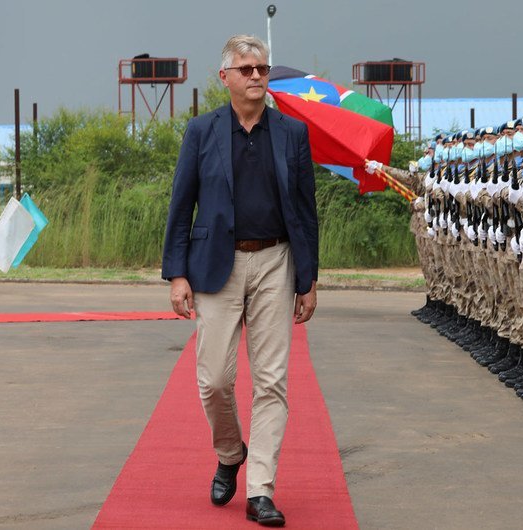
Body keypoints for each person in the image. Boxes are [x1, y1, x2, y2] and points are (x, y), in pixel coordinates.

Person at [161, 34, 319, 528]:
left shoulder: (292, 134)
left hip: (276, 261)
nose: (256, 76)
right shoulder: (201, 132)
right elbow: (181, 204)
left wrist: (308, 278)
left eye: (263, 69)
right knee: (214, 379)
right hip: (215, 266)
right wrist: (177, 273)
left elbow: (306, 211)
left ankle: (260, 491)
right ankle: (230, 452)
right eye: (247, 69)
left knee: (272, 381)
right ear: (225, 77)